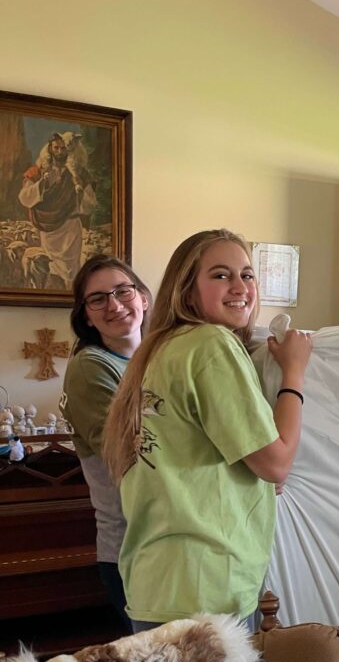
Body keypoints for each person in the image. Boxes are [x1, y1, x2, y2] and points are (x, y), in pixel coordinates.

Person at [103, 228, 312, 633]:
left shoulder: (160, 348)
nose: (240, 287)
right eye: (220, 275)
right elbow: (277, 463)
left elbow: (191, 455)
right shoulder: (211, 344)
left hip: (156, 580)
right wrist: (294, 372)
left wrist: (252, 480)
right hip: (207, 586)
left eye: (247, 275)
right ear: (187, 291)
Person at [60, 255, 152, 628]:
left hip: (168, 543)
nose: (114, 305)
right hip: (132, 551)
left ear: (142, 297)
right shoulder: (91, 366)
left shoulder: (158, 359)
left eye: (122, 291)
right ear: (86, 315)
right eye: (98, 299)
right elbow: (134, 458)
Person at [18, 133, 97, 285]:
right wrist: (42, 184)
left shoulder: (79, 173)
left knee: (71, 271)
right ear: (49, 149)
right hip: (48, 229)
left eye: (63, 148)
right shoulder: (37, 172)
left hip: (70, 228)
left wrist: (80, 193)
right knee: (48, 267)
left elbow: (90, 205)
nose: (60, 152)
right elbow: (24, 197)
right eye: (56, 148)